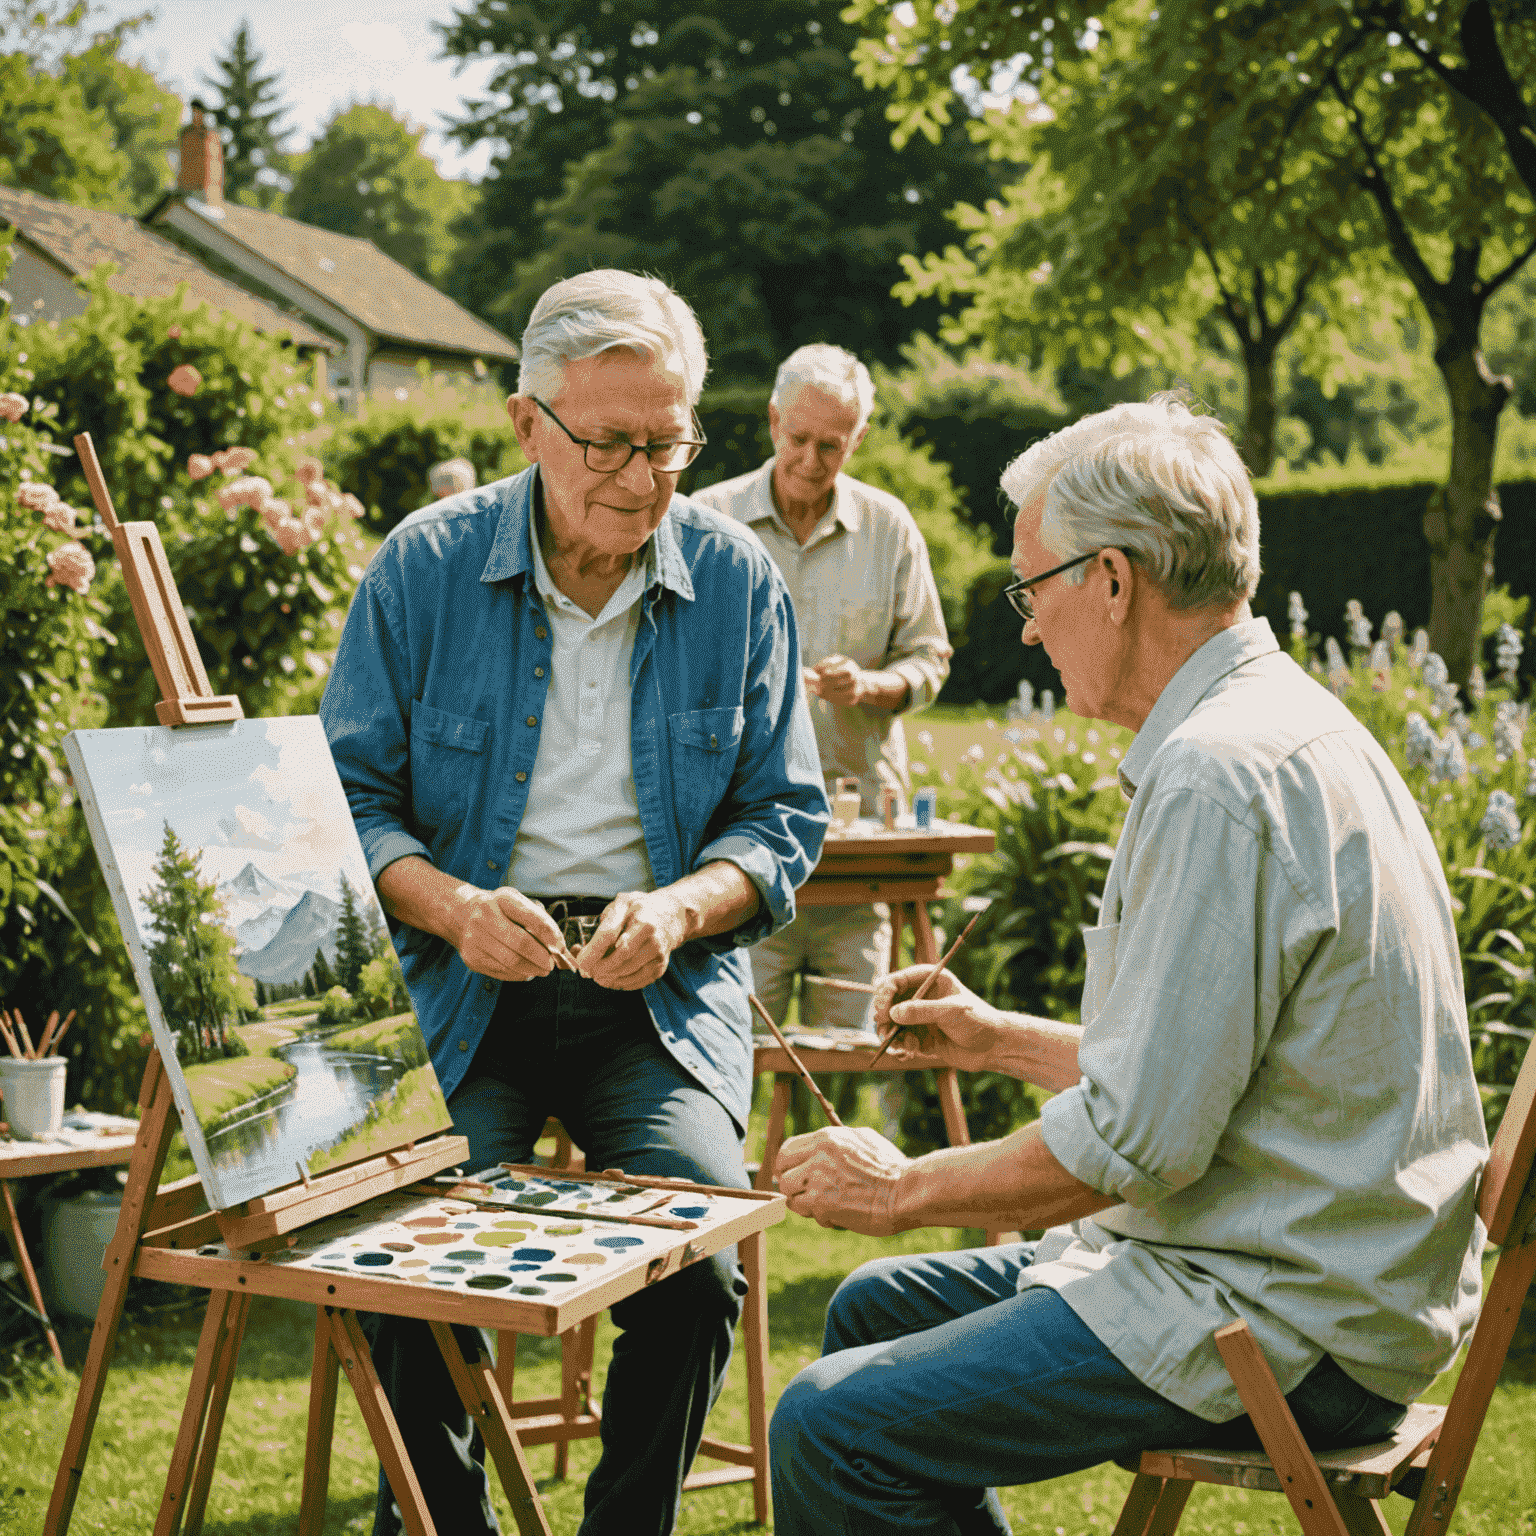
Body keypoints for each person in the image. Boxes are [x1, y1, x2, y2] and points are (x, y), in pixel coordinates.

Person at [766, 394, 1489, 1536]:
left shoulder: (1217, 774)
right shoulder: (1287, 722)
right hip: (1310, 1264)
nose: (1027, 627)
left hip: (1288, 1315)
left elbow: (1134, 1146)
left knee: (827, 1425)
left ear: (1111, 580)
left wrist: (902, 1188)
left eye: (1031, 587)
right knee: (870, 1311)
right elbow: (1206, 1070)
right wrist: (998, 1038)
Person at [320, 268, 828, 1536]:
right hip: (464, 984)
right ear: (525, 423)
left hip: (652, 993)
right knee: (395, 1259)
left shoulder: (739, 581)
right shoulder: (423, 570)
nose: (643, 476)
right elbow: (348, 805)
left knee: (696, 1259)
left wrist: (682, 910)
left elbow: (782, 818)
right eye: (608, 442)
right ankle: (445, 1523)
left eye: (669, 442)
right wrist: (449, 907)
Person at [693, 344, 950, 1043]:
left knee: (853, 1048)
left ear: (858, 439)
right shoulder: (706, 523)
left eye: (831, 446)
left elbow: (930, 656)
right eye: (799, 439)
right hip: (738, 833)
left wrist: (872, 685)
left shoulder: (889, 527)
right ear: (773, 421)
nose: (810, 459)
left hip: (857, 831)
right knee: (737, 1046)